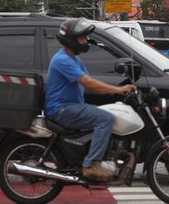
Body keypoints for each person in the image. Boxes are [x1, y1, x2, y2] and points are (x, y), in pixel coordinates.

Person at [45, 18, 136, 181]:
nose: (86, 41)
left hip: (71, 106)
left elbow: (90, 82)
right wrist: (119, 90)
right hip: (62, 109)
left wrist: (119, 89)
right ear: (71, 40)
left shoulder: (75, 60)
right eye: (82, 38)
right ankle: (90, 164)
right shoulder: (63, 60)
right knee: (105, 118)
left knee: (106, 112)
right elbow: (89, 83)